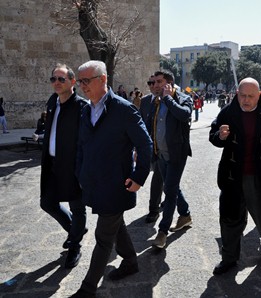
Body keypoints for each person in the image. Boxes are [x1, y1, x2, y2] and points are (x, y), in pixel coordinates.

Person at [70, 60, 151, 298]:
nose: (82, 86)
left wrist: (139, 177)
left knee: (103, 237)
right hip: (93, 183)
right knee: (116, 225)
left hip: (117, 185)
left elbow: (145, 145)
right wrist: (79, 172)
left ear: (103, 79)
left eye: (87, 80)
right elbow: (81, 146)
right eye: (80, 81)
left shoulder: (124, 109)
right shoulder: (86, 110)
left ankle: (87, 289)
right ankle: (130, 262)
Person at [209, 77, 261, 275]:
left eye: (250, 96)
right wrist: (221, 136)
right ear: (237, 94)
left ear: (259, 95)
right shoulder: (229, 111)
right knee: (229, 218)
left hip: (259, 177)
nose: (245, 100)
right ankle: (229, 258)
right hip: (232, 176)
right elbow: (214, 135)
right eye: (242, 95)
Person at [40, 63, 88, 269]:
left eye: (61, 79)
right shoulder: (53, 102)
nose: (57, 83)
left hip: (73, 166)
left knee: (77, 207)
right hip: (52, 163)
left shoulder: (82, 107)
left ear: (72, 82)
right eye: (53, 79)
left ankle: (75, 246)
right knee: (47, 203)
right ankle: (75, 230)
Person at [148, 70, 193, 249]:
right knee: (171, 187)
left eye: (159, 82)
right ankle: (185, 214)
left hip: (176, 154)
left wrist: (168, 98)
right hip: (160, 154)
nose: (155, 85)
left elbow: (184, 115)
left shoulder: (182, 98)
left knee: (170, 191)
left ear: (170, 83)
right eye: (153, 82)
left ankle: (162, 231)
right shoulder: (154, 101)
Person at [140, 75, 164, 224]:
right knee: (163, 177)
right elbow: (141, 125)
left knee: (158, 177)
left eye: (156, 82)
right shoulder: (145, 101)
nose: (153, 85)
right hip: (150, 147)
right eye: (150, 83)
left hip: (164, 148)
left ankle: (153, 210)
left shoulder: (170, 100)